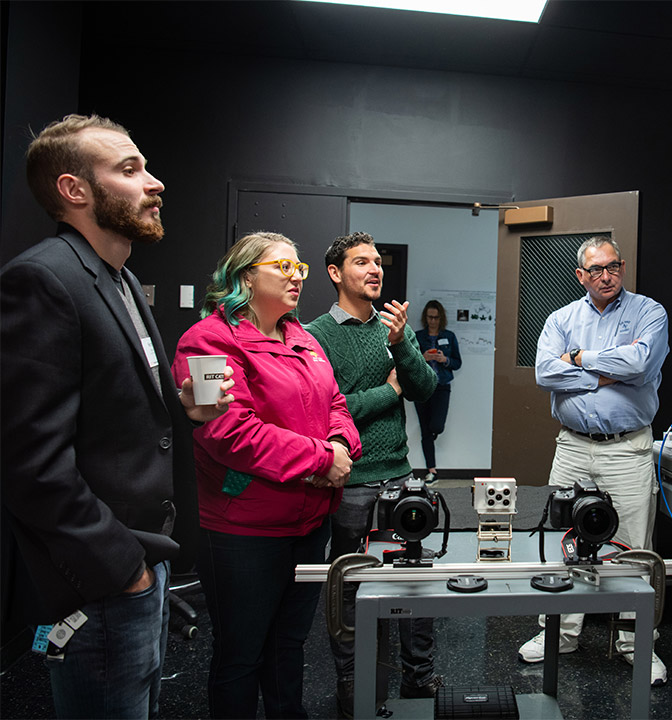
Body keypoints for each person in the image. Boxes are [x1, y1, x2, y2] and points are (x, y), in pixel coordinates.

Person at [0, 113, 234, 719]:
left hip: (144, 565)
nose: (154, 183)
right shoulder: (42, 279)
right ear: (74, 190)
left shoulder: (122, 279)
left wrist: (182, 409)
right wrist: (122, 570)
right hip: (104, 578)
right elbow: (30, 464)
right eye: (130, 170)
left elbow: (121, 415)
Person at [171, 231, 361, 719]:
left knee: (288, 647)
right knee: (240, 656)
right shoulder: (208, 340)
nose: (297, 277)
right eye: (283, 267)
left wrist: (340, 445)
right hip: (244, 531)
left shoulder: (303, 337)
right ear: (245, 276)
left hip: (308, 523)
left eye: (300, 269)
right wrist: (321, 460)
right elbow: (228, 432)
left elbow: (335, 404)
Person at [519, 236, 670, 687]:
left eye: (614, 267)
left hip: (628, 447)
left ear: (621, 268)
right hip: (572, 447)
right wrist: (608, 373)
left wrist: (581, 360)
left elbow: (642, 364)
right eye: (597, 270)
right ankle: (559, 633)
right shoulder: (561, 318)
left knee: (632, 549)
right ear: (581, 275)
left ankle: (634, 643)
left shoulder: (649, 312)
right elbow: (546, 372)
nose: (607, 276)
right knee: (561, 539)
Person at [306, 232, 440, 717]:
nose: (375, 269)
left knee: (416, 581)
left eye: (378, 262)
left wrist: (402, 344)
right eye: (361, 262)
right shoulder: (316, 335)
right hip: (353, 483)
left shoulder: (391, 328)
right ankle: (353, 680)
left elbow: (424, 387)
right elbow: (327, 412)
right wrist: (388, 392)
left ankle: (419, 678)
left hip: (402, 478)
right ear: (335, 273)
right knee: (351, 587)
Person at [414, 299, 462, 484]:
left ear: (441, 318)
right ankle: (431, 470)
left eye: (435, 317)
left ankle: (431, 437)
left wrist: (445, 360)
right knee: (425, 431)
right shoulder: (418, 336)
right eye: (429, 317)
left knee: (436, 426)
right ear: (425, 318)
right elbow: (409, 362)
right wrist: (422, 357)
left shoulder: (449, 336)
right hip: (422, 387)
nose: (432, 321)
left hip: (442, 385)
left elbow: (457, 363)